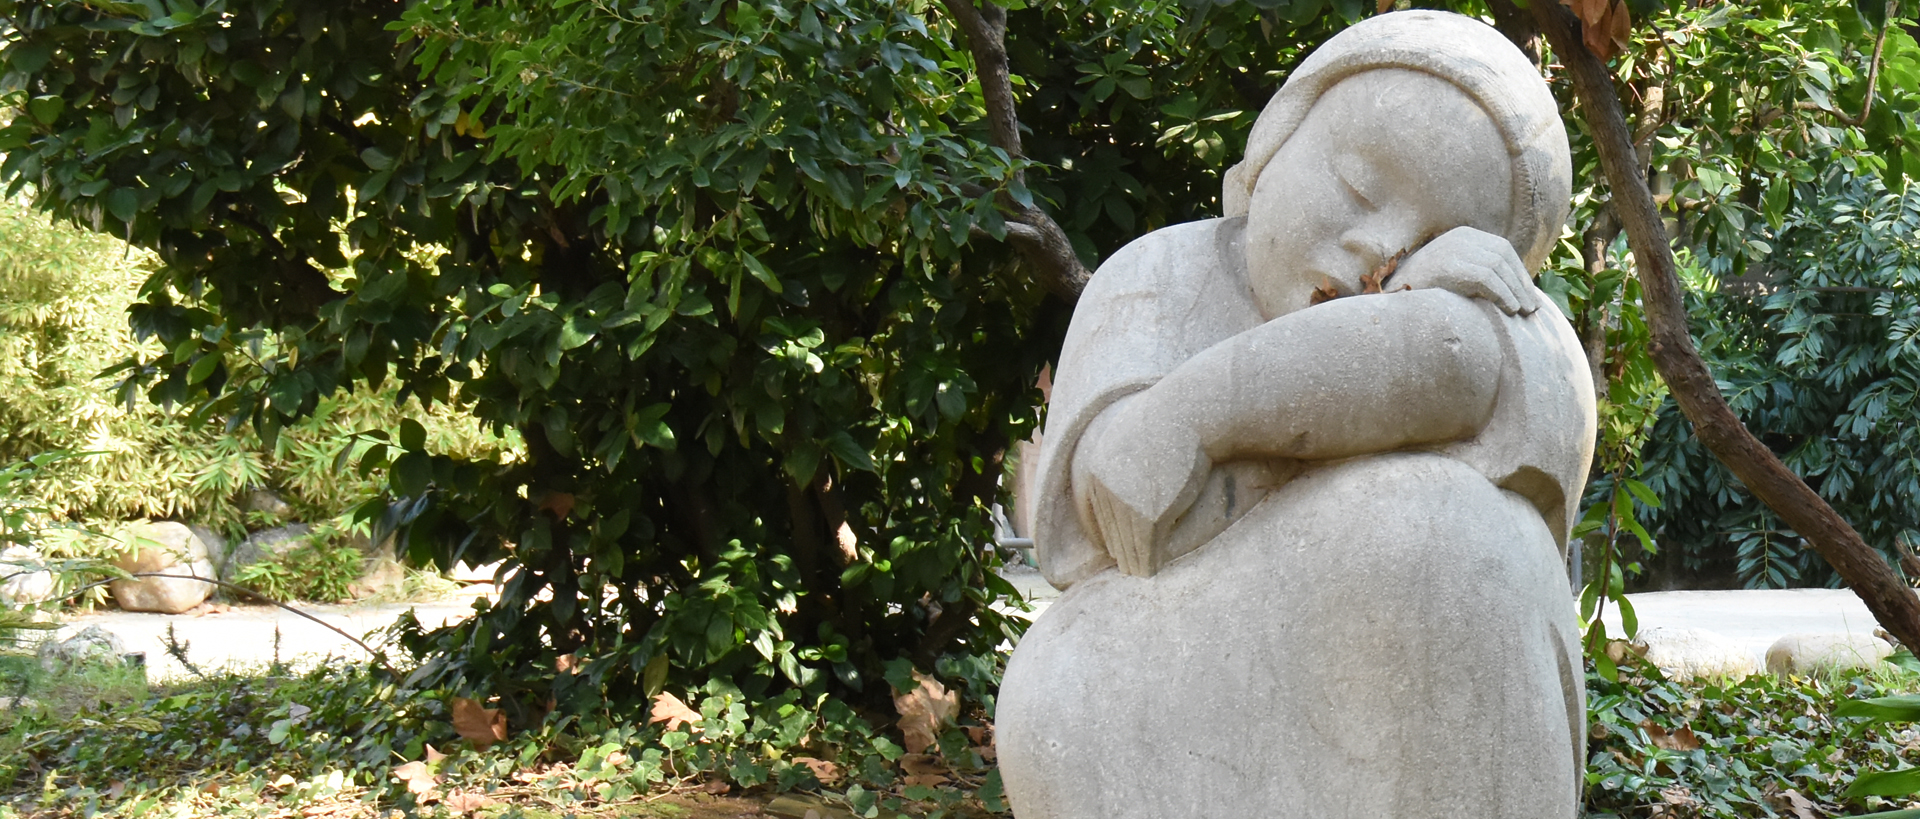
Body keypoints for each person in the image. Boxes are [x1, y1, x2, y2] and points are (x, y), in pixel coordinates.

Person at [995, 12, 1597, 818]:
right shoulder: (1154, 275)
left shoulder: (1521, 329)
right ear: (1279, 137)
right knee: (1062, 668)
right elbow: (1130, 497)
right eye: (1357, 187)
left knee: (1452, 535)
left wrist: (1208, 415)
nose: (1377, 250)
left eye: (1428, 243)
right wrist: (1335, 385)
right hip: (1171, 680)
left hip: (1411, 718)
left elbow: (1452, 361)